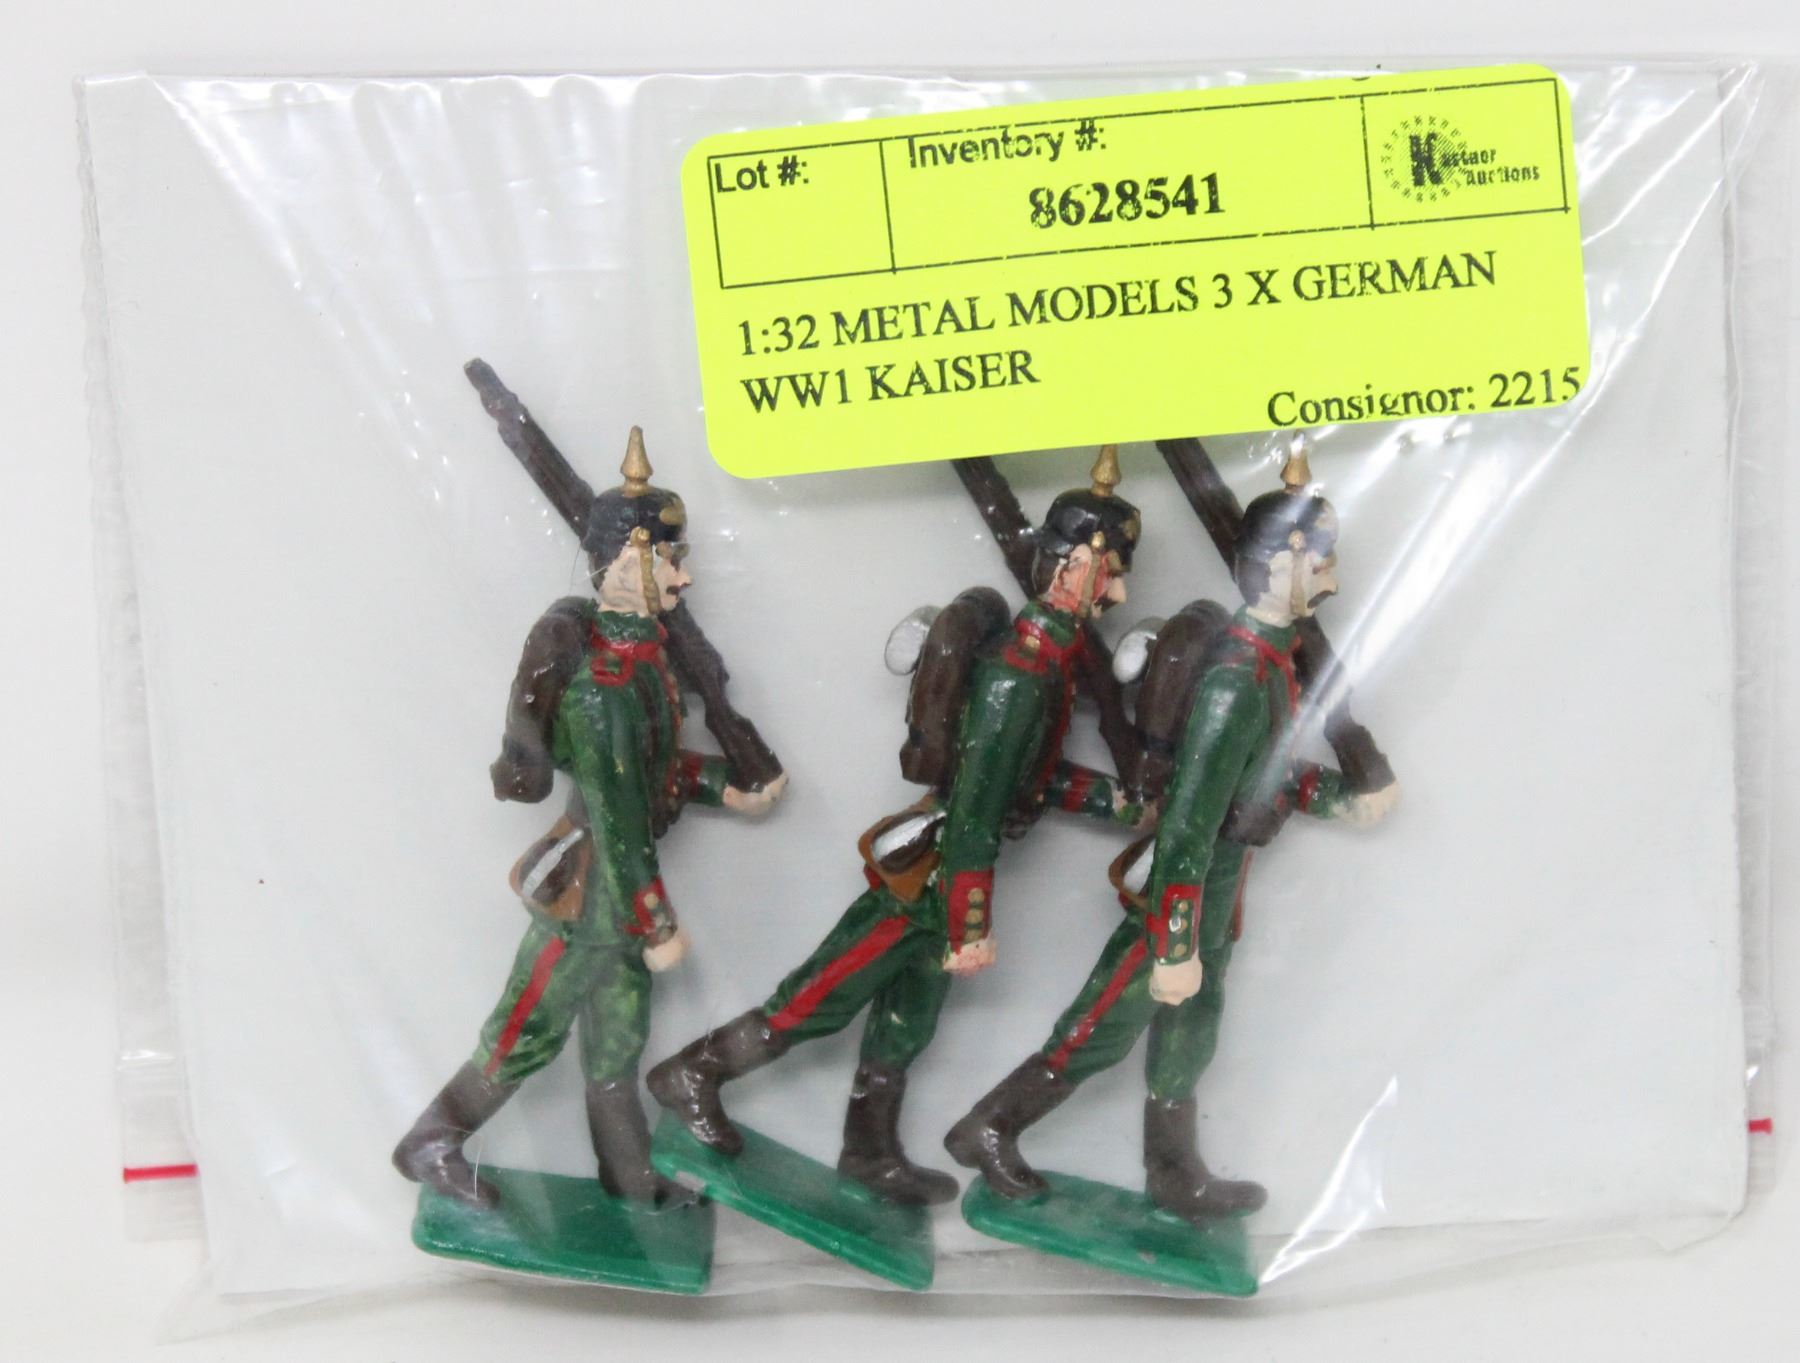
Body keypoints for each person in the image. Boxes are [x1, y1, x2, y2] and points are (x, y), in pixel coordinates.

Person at [648, 447, 1147, 1205]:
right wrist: (970, 923)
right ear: (1074, 566)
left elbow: (1028, 778)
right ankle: (692, 1074)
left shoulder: (1048, 664)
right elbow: (977, 806)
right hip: (930, 883)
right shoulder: (1020, 675)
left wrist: (1113, 801)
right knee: (817, 999)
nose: (1118, 591)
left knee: (907, 1023)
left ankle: (870, 1150)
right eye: (1110, 571)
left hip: (945, 890)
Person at [945, 443, 1399, 1222]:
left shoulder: (1271, 666)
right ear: (1280, 565)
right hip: (1181, 895)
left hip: (1219, 887)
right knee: (1103, 1024)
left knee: (1193, 1027)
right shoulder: (1236, 684)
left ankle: (1174, 1170)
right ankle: (990, 1124)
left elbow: (1262, 777)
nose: (1329, 576)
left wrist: (1337, 799)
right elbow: (1191, 818)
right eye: (1319, 560)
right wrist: (1176, 941)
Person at [393, 429, 785, 1210]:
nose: (684, 575)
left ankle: (628, 1174)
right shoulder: (602, 687)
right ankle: (431, 1141)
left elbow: (653, 767)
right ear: (628, 561)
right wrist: (657, 919)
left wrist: (724, 787)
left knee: (618, 1045)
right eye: (670, 558)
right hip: (589, 902)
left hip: (620, 913)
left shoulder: (643, 661)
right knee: (524, 1032)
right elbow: (618, 813)